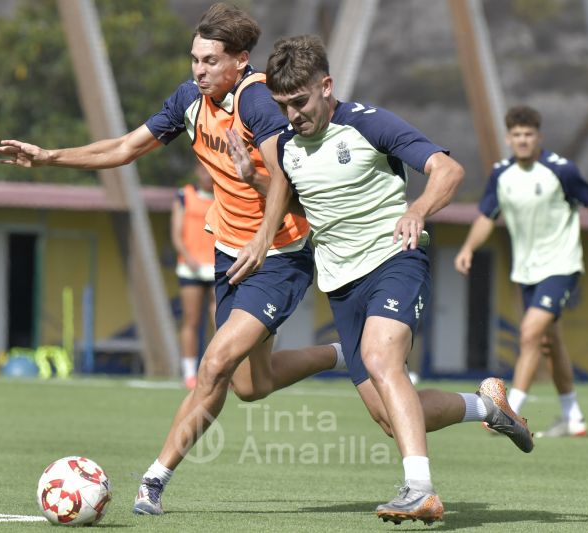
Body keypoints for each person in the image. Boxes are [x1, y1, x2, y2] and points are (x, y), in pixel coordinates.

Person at [0, 4, 530, 520]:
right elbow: (131, 149)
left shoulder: (267, 105)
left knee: (217, 363)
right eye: (195, 59)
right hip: (266, 259)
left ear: (240, 61)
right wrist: (50, 157)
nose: (199, 70)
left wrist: (269, 234)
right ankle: (481, 404)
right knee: (262, 387)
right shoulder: (200, 103)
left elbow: (292, 183)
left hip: (295, 258)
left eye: (210, 61)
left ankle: (157, 479)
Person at [225, 35, 533, 526]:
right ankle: (487, 406)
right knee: (392, 417)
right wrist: (255, 184)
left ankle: (421, 491)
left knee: (379, 356)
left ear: (326, 86)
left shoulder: (369, 123)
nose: (293, 115)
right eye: (283, 105)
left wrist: (417, 208)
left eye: (300, 102)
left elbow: (448, 172)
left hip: (395, 261)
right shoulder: (287, 147)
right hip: (341, 286)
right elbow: (304, 202)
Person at [454, 105, 588, 438]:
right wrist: (468, 248)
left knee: (529, 333)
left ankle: (506, 411)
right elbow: (487, 216)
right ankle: (572, 416)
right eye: (517, 135)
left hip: (561, 266)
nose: (523, 140)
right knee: (549, 343)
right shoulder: (501, 174)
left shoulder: (560, 170)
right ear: (508, 138)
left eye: (529, 134)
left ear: (539, 137)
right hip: (526, 272)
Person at [171, 163, 217, 389]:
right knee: (191, 319)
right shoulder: (184, 195)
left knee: (221, 321)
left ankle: (219, 370)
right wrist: (187, 256)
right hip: (191, 267)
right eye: (203, 170)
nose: (207, 175)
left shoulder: (224, 195)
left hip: (219, 267)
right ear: (197, 171)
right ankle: (189, 374)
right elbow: (176, 234)